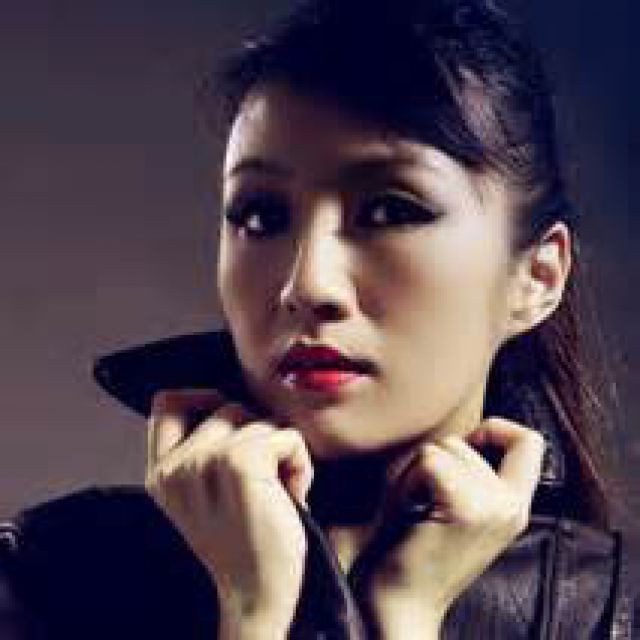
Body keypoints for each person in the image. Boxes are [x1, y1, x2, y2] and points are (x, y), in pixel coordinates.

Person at [0, 0, 637, 638]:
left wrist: (406, 619)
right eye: (261, 216)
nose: (307, 285)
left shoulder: (613, 612)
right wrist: (252, 611)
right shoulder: (47, 578)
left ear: (537, 277)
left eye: (390, 210)